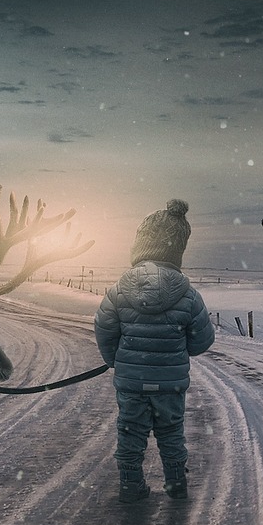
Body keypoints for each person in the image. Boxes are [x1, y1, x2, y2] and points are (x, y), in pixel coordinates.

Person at [94, 199, 214, 503]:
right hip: (170, 385)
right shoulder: (188, 295)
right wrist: (176, 350)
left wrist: (116, 360)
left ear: (141, 245)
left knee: (130, 433)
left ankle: (130, 486)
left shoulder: (118, 290)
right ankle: (176, 485)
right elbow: (202, 341)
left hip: (132, 383)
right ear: (177, 250)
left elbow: (104, 330)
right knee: (171, 433)